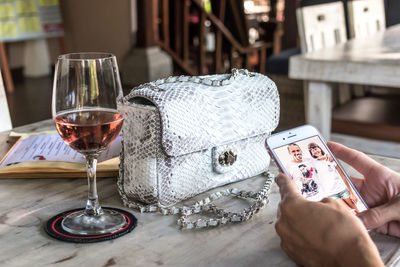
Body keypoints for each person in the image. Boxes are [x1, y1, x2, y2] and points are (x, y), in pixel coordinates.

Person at [275, 142, 400, 267]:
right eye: (294, 152)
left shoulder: (313, 160)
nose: (298, 153)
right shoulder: (296, 165)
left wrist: (345, 254)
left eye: (298, 151)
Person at [307, 142, 359, 212]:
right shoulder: (313, 163)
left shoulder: (331, 159)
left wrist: (351, 193)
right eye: (312, 151)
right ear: (311, 154)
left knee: (357, 211)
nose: (315, 151)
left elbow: (342, 176)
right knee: (350, 212)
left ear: (320, 148)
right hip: (331, 194)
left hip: (342, 189)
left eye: (316, 149)